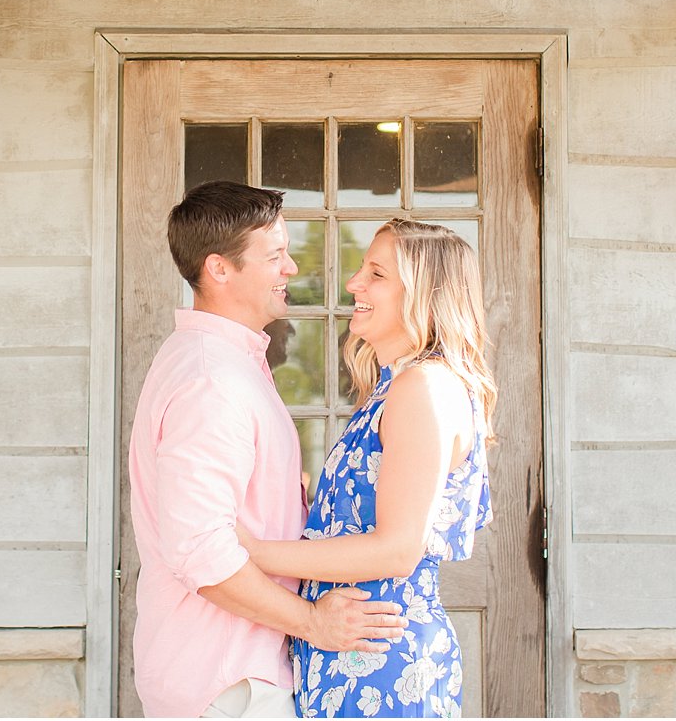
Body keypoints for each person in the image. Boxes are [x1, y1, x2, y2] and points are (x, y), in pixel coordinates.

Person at [129, 181, 408, 719]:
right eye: (275, 255)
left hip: (236, 676)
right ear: (219, 269)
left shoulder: (227, 363)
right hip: (229, 684)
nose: (291, 270)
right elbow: (202, 552)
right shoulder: (211, 380)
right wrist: (313, 622)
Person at [237, 219, 495, 719]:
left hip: (381, 661)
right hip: (353, 651)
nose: (354, 283)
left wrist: (256, 553)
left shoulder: (423, 387)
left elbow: (397, 550)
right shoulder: (393, 386)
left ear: (423, 292)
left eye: (376, 274)